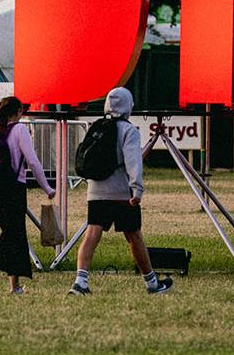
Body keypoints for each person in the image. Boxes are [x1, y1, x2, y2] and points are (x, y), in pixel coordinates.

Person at [68, 87, 170, 295]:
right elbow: (133, 162)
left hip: (96, 191)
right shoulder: (128, 130)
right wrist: (137, 190)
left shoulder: (97, 126)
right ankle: (152, 283)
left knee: (91, 234)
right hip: (122, 193)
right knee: (134, 237)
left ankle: (81, 281)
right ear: (128, 106)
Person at [0, 97, 54, 295]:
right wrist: (47, 188)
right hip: (13, 190)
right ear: (17, 112)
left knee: (14, 235)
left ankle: (14, 287)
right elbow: (32, 162)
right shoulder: (20, 130)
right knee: (12, 234)